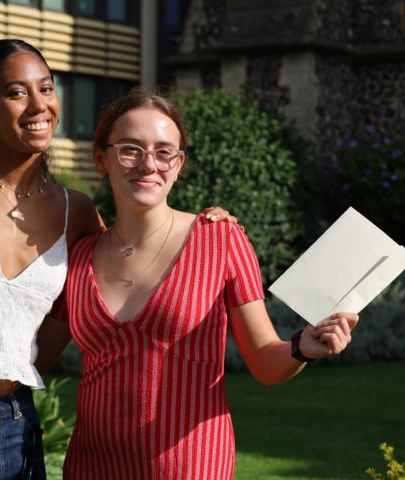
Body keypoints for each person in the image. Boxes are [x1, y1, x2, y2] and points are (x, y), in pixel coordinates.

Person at [0, 39, 234, 479]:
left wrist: (206, 224)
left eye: (46, 88)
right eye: (16, 92)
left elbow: (101, 296)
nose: (39, 105)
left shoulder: (75, 213)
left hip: (14, 428)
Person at [61, 88, 359, 479]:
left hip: (192, 466)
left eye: (164, 151)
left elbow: (265, 362)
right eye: (130, 149)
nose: (149, 164)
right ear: (101, 158)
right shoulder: (78, 255)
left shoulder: (220, 240)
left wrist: (302, 347)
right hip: (91, 467)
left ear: (179, 163)